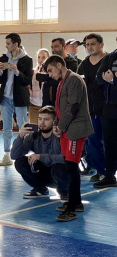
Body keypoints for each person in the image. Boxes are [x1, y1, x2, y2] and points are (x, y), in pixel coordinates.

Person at [43, 55, 93, 221]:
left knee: (72, 169)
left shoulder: (73, 79)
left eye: (50, 70)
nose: (50, 74)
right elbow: (59, 108)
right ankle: (76, 202)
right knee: (69, 167)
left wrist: (61, 127)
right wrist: (57, 125)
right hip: (66, 130)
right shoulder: (63, 81)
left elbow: (73, 107)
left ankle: (71, 209)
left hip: (75, 130)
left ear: (59, 65)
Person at [11, 106, 69, 201]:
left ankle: (65, 193)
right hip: (45, 173)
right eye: (40, 119)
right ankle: (40, 189)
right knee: (20, 162)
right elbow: (14, 156)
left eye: (46, 119)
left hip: (60, 174)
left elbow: (66, 158)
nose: (42, 122)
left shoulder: (60, 136)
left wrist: (40, 156)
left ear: (54, 121)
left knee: (59, 166)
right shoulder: (34, 136)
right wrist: (21, 136)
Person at [0, 33, 33, 166]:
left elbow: (27, 80)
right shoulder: (4, 57)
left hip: (20, 98)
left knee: (23, 127)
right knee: (6, 128)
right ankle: (6, 155)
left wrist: (17, 72)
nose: (6, 46)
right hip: (5, 97)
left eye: (8, 43)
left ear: (16, 44)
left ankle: (24, 154)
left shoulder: (27, 60)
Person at [77, 33, 107, 183]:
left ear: (101, 45)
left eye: (93, 44)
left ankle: (109, 172)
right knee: (93, 142)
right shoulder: (83, 64)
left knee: (108, 142)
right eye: (87, 45)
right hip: (90, 111)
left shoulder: (109, 61)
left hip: (109, 110)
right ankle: (101, 170)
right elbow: (77, 85)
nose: (89, 47)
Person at [94, 35, 117, 188]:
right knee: (109, 142)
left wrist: (113, 79)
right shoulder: (110, 57)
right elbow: (99, 77)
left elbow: (108, 77)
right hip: (111, 106)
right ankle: (110, 175)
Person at [29, 48, 50, 123]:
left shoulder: (51, 72)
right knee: (34, 128)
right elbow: (28, 85)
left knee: (45, 128)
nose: (40, 59)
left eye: (43, 57)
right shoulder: (32, 71)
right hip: (34, 104)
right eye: (38, 57)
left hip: (46, 105)